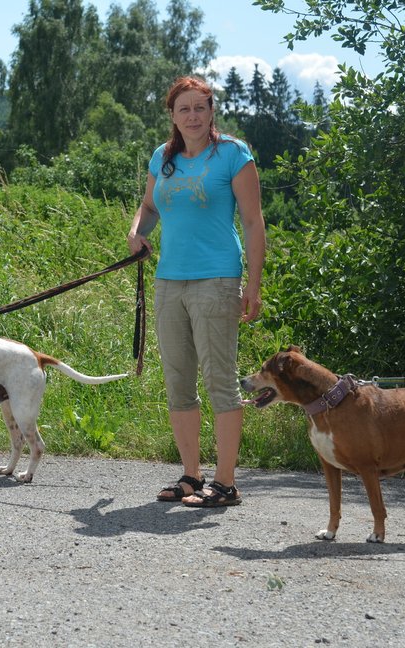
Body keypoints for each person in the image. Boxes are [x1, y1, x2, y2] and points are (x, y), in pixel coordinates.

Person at [127, 75, 266, 507]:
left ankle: (225, 483)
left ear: (211, 113)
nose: (193, 116)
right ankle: (191, 475)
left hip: (217, 280)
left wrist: (254, 285)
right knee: (178, 383)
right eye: (184, 108)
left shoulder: (233, 155)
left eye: (200, 108)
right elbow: (150, 207)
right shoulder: (162, 158)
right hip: (169, 281)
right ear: (172, 114)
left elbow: (253, 221)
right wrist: (136, 232)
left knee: (219, 381)